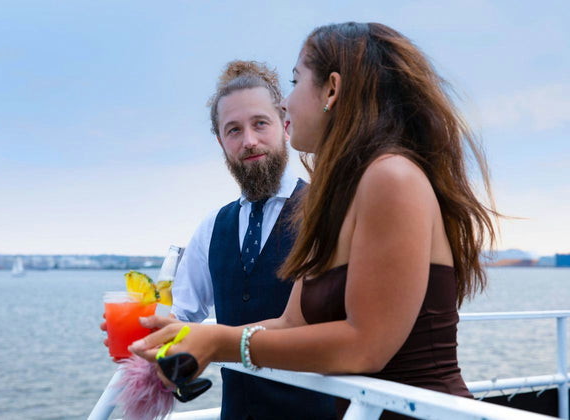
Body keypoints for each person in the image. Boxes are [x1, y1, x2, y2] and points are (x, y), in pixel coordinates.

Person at [130, 23, 498, 419]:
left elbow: (366, 346)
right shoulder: (338, 196)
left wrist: (220, 343)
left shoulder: (391, 176)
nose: (285, 102)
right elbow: (292, 322)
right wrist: (191, 336)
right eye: (234, 130)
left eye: (295, 80)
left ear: (332, 90)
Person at [102, 60, 336, 420]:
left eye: (260, 124)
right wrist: (142, 331)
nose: (249, 141)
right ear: (220, 142)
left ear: (285, 125)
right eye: (233, 130)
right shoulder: (212, 228)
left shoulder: (327, 212)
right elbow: (180, 312)